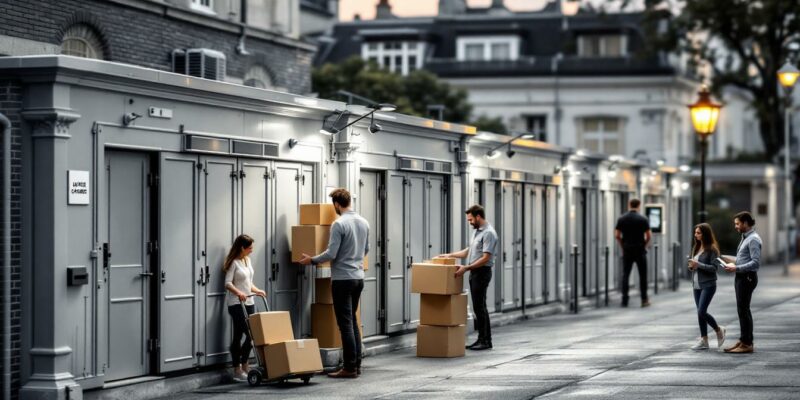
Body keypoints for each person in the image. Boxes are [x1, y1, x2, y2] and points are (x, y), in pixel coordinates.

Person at [299, 188, 369, 378]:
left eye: (334, 205)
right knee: (352, 321)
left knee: (345, 324)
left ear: (337, 204)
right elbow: (366, 249)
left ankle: (349, 368)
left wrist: (311, 260)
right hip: (358, 278)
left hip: (343, 280)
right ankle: (357, 365)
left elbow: (331, 254)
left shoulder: (339, 224)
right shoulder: (364, 222)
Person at [435, 205, 498, 351]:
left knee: (479, 307)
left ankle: (485, 340)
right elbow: (469, 251)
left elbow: (485, 258)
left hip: (482, 272)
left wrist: (466, 268)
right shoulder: (477, 232)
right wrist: (450, 255)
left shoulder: (489, 233)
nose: (469, 222)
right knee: (479, 307)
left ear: (478, 216)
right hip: (475, 272)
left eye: (470, 219)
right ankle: (483, 339)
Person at [223, 234, 266, 382]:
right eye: (250, 247)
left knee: (242, 335)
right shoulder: (234, 263)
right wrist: (238, 292)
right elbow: (228, 283)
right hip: (236, 303)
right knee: (249, 334)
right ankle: (237, 369)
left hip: (249, 302)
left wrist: (257, 290)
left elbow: (248, 283)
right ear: (242, 247)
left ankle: (244, 366)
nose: (252, 250)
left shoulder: (247, 260)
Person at [722, 211, 761, 354]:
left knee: (743, 310)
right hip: (741, 277)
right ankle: (744, 340)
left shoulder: (753, 239)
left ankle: (747, 343)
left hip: (747, 278)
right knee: (742, 310)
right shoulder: (745, 237)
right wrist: (725, 259)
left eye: (738, 224)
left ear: (745, 223)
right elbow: (743, 259)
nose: (736, 227)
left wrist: (736, 267)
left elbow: (755, 263)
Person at [687, 223, 726, 350]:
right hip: (696, 284)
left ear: (705, 234)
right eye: (695, 232)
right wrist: (692, 267)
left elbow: (714, 268)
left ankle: (719, 330)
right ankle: (704, 340)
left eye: (698, 233)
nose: (696, 235)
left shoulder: (712, 250)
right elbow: (695, 265)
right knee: (700, 313)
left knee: (701, 311)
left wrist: (698, 265)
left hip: (708, 285)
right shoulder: (696, 247)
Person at [614, 199, 652, 307]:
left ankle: (624, 299)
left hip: (627, 249)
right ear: (639, 205)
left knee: (626, 274)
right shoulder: (643, 219)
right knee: (642, 275)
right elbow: (648, 235)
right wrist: (643, 245)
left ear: (629, 205)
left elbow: (617, 235)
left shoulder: (622, 219)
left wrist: (623, 245)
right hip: (640, 250)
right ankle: (644, 299)